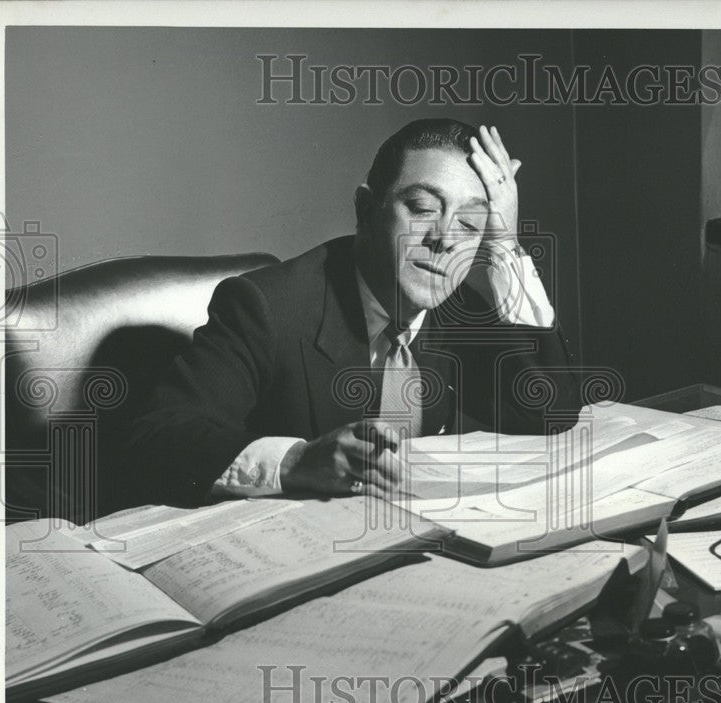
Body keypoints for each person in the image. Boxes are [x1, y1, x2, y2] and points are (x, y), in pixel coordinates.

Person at [129, 118, 580, 506]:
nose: (445, 239)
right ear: (367, 211)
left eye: (469, 224)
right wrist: (296, 461)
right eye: (423, 208)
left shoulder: (458, 309)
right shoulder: (264, 306)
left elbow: (549, 414)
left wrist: (506, 245)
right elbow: (157, 438)